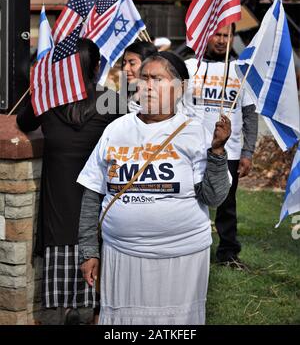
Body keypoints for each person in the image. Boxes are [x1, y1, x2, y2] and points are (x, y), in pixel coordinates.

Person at [77, 51, 231, 325]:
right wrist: (89, 250)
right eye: (144, 78)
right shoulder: (116, 129)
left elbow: (214, 197)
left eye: (158, 79)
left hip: (182, 258)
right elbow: (92, 193)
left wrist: (217, 152)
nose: (147, 85)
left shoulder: (194, 132)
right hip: (121, 256)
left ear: (180, 88)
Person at [16, 39, 123, 325]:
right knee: (95, 305)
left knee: (54, 311)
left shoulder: (47, 100)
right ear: (97, 67)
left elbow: (24, 124)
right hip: (99, 210)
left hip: (57, 214)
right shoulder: (112, 100)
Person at [185, 24, 258, 269]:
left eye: (227, 35)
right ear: (207, 35)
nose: (221, 40)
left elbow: (250, 114)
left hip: (231, 150)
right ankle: (189, 248)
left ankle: (227, 253)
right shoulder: (189, 67)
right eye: (217, 34)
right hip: (192, 149)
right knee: (190, 200)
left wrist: (248, 152)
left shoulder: (240, 70)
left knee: (227, 204)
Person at [121, 41, 157, 112]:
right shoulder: (122, 94)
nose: (125, 68)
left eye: (132, 63)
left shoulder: (165, 96)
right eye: (124, 63)